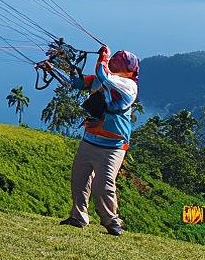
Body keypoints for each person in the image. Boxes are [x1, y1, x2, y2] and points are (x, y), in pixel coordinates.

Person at [39, 45, 139, 236]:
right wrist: (52, 70)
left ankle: (112, 221)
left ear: (131, 70)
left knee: (103, 185)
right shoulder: (102, 81)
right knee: (79, 180)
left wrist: (103, 57)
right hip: (90, 139)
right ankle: (78, 216)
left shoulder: (129, 86)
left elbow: (103, 76)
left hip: (113, 146)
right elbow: (72, 83)